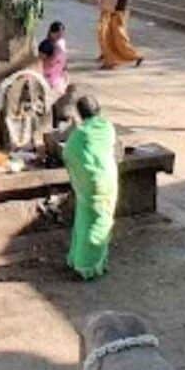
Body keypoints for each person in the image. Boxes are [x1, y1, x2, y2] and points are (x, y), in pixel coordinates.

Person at [61, 90, 120, 281]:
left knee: (86, 222)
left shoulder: (80, 133)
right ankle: (94, 263)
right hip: (108, 180)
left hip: (89, 184)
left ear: (79, 114)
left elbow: (68, 154)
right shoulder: (108, 127)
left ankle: (84, 264)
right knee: (102, 221)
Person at [95, 0, 144, 69]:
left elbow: (118, 1)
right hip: (116, 13)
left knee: (119, 40)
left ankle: (134, 56)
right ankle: (112, 60)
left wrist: (108, 5)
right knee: (110, 38)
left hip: (118, 14)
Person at [36, 19, 70, 102]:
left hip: (58, 77)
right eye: (58, 34)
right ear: (51, 32)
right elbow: (39, 61)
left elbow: (63, 59)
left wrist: (65, 71)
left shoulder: (61, 43)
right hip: (47, 77)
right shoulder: (46, 45)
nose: (60, 36)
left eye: (62, 34)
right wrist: (40, 78)